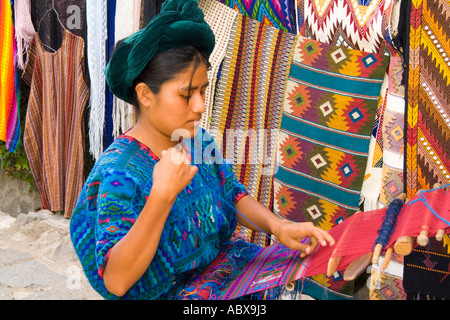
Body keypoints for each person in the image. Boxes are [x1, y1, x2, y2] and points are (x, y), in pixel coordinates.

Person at [69, 0, 334, 300]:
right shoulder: (119, 174)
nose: (200, 105)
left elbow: (232, 194)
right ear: (145, 94)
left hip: (228, 276)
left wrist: (280, 227)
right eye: (185, 94)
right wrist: (160, 197)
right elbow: (117, 280)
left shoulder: (196, 141)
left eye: (203, 90)